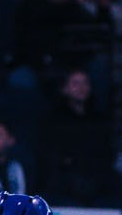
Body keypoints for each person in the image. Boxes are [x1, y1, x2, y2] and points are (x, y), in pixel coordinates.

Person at [9, 0, 101, 87]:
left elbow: (94, 29)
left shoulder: (75, 8)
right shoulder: (29, 4)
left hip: (70, 64)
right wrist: (75, 1)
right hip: (37, 63)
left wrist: (103, 8)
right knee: (22, 78)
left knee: (97, 66)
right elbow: (48, 18)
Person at [36, 68, 114, 206]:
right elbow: (51, 154)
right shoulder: (54, 119)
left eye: (85, 83)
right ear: (64, 89)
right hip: (64, 180)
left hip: (96, 178)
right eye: (75, 83)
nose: (81, 88)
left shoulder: (98, 119)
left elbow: (106, 151)